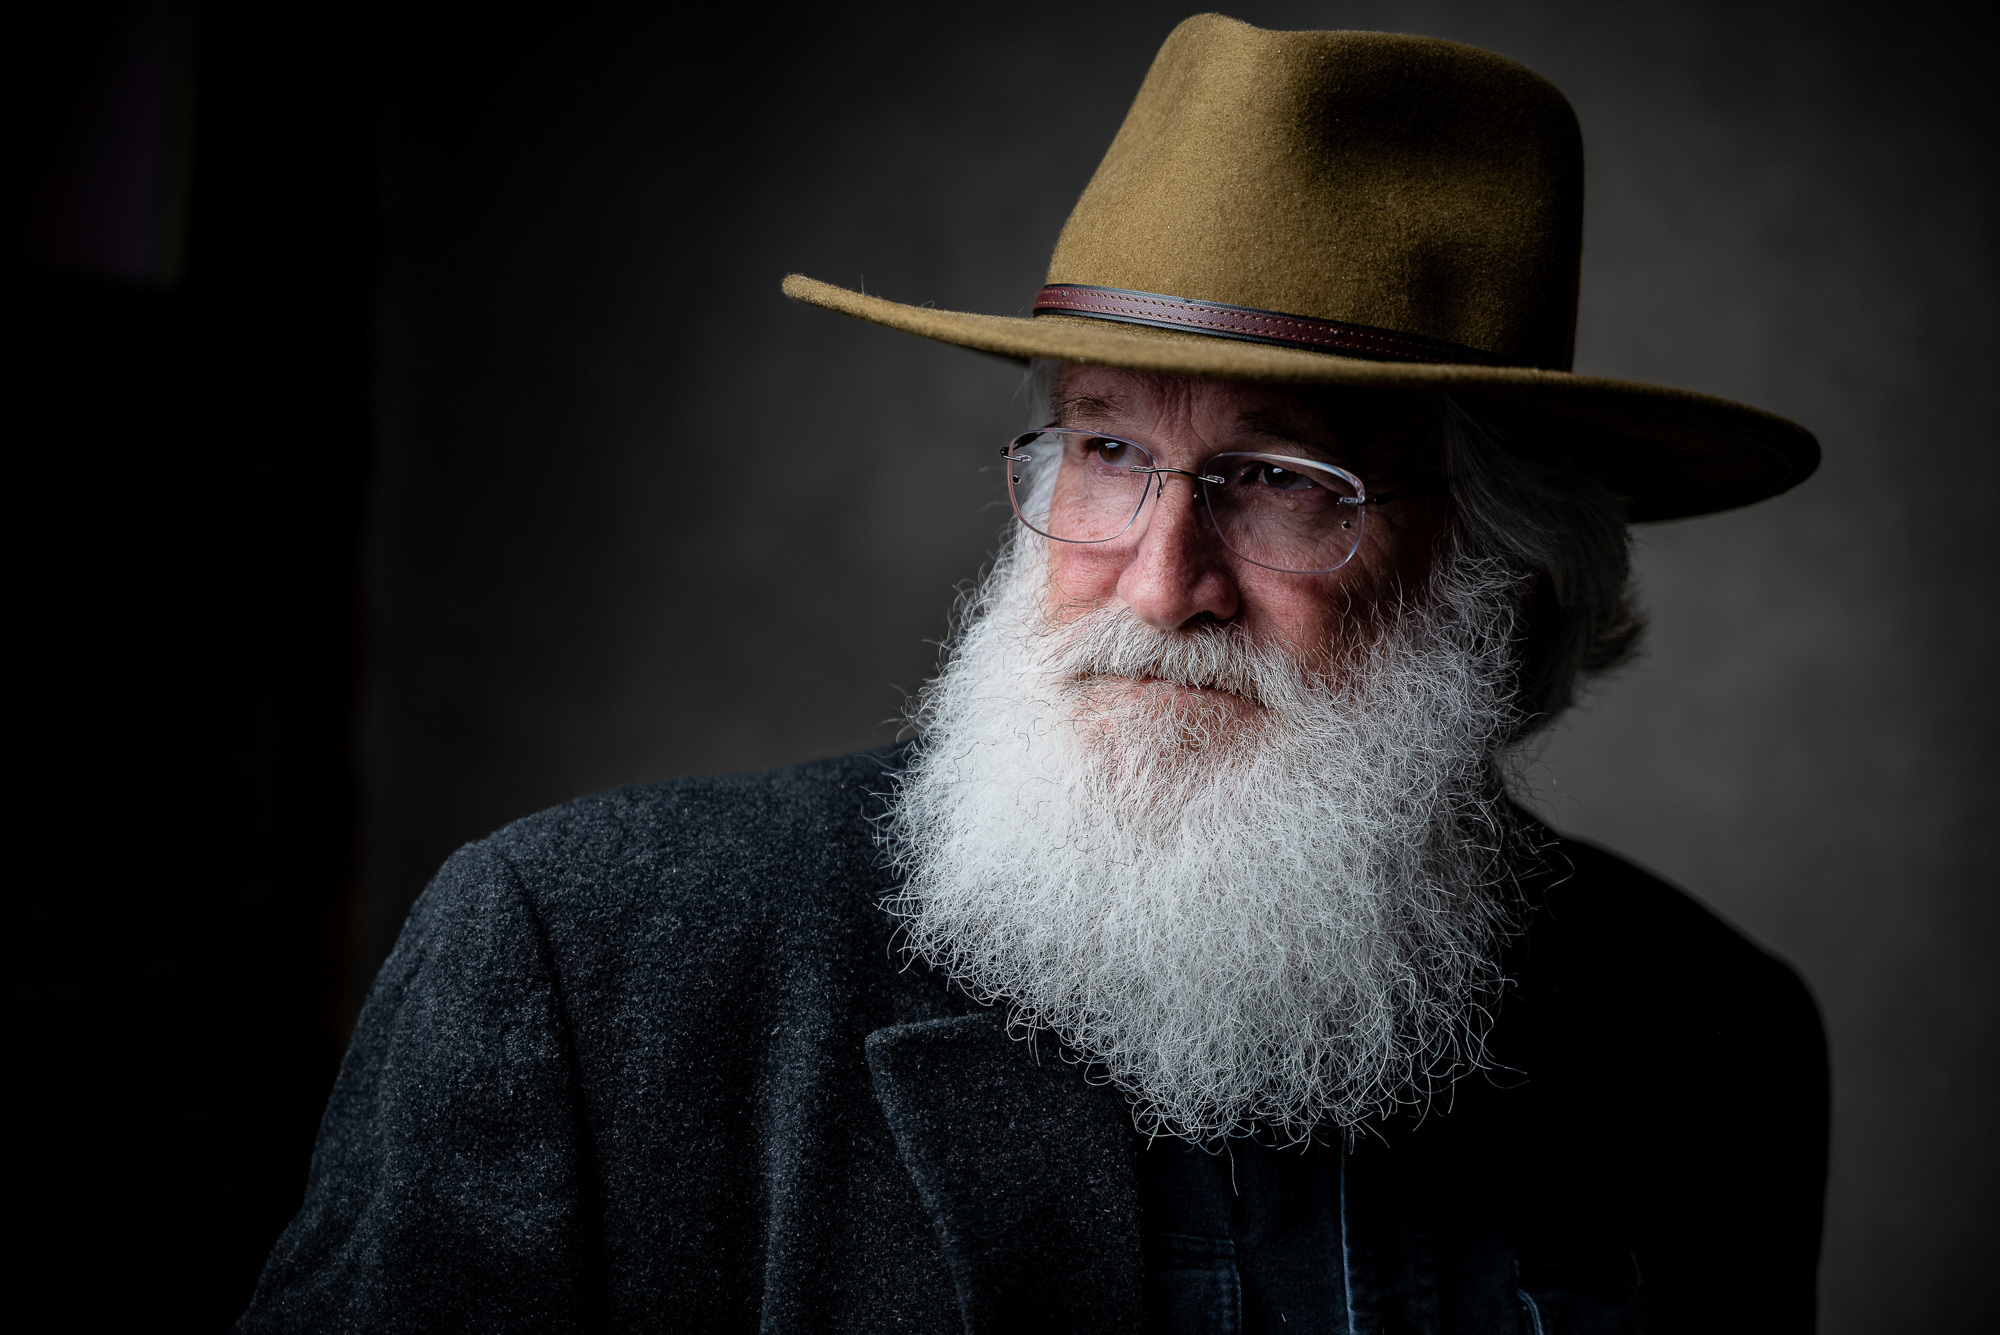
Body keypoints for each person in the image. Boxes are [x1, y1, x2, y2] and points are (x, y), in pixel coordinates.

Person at [238, 15, 1827, 1334]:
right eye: (1110, 448)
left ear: (1506, 575)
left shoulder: (1710, 1038)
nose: (1158, 581)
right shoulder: (588, 966)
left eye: (1285, 482)